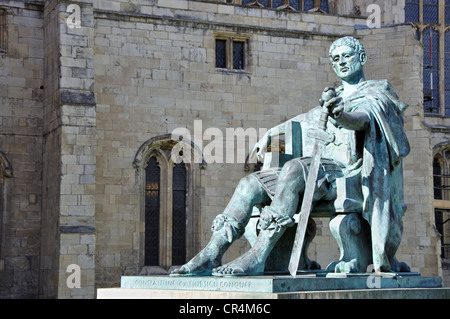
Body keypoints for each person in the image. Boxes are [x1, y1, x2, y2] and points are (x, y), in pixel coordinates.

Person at [171, 36, 410, 276]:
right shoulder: (331, 98)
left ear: (362, 58)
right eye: (336, 59)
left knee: (294, 169)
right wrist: (272, 134)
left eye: (347, 56)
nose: (341, 63)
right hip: (320, 173)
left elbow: (363, 119)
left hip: (351, 174)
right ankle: (212, 253)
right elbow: (302, 120)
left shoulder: (378, 94)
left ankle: (259, 255)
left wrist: (341, 115)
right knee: (249, 184)